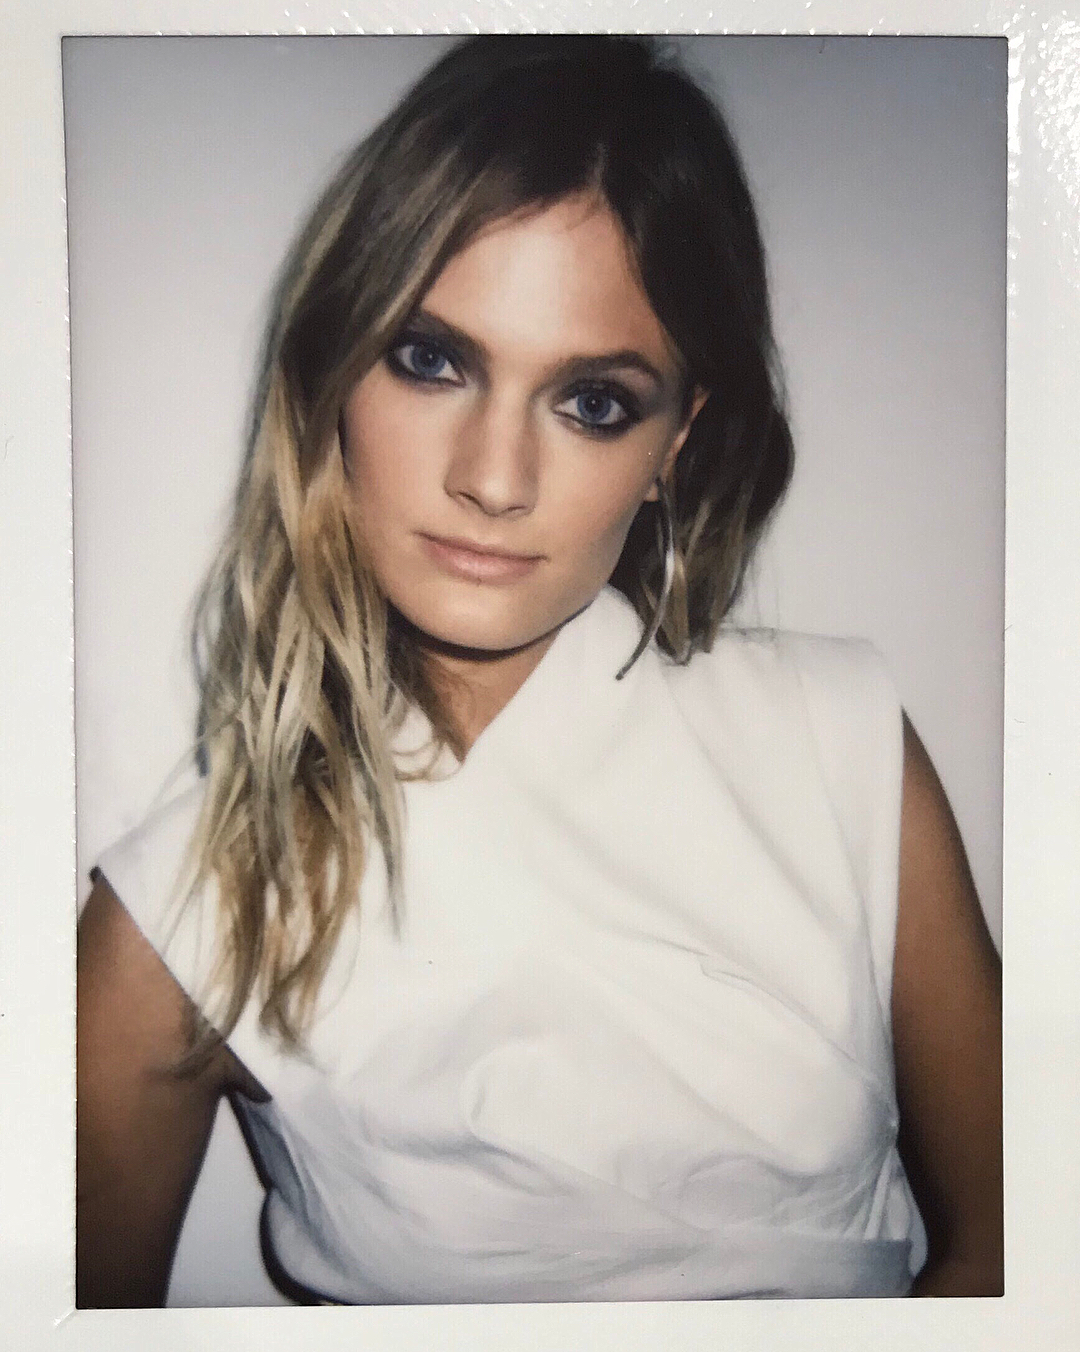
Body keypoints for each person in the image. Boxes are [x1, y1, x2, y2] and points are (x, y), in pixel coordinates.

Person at [76, 34, 1003, 1306]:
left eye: (593, 402)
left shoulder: (840, 742)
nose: (493, 477)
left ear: (677, 440)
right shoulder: (190, 908)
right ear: (336, 366)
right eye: (431, 359)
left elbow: (1027, 1255)